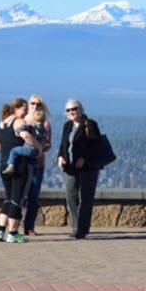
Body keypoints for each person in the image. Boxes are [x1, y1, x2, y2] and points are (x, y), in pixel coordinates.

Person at [0, 98, 42, 243]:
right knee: (17, 199)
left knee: (8, 198)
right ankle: (13, 233)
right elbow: (25, 135)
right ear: (16, 108)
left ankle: (0, 231)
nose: (27, 112)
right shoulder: (18, 122)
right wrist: (38, 146)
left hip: (3, 164)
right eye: (24, 109)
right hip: (19, 165)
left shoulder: (0, 125)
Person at [57, 99, 101, 239]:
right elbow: (63, 144)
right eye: (68, 110)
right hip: (70, 166)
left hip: (88, 167)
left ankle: (82, 229)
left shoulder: (90, 124)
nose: (71, 112)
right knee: (70, 195)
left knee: (86, 198)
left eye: (74, 109)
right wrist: (60, 157)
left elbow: (95, 145)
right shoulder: (67, 126)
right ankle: (75, 226)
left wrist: (84, 158)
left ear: (80, 110)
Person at [22, 94, 52, 236]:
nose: (35, 106)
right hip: (23, 162)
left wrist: (42, 147)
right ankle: (14, 226)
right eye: (33, 103)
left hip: (38, 163)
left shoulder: (45, 124)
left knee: (34, 196)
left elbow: (48, 143)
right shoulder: (22, 121)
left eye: (38, 104)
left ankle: (29, 226)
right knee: (20, 195)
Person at [1, 108, 45, 176]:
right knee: (32, 160)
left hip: (29, 148)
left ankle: (11, 166)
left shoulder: (31, 126)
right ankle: (35, 170)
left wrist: (17, 131)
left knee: (14, 151)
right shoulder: (43, 129)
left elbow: (22, 129)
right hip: (37, 152)